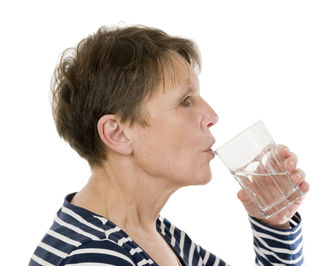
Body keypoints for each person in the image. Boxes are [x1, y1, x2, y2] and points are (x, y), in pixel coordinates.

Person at [29, 25, 309, 266]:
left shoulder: (156, 235)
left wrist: (274, 224)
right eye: (185, 101)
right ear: (118, 133)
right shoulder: (92, 256)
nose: (212, 116)